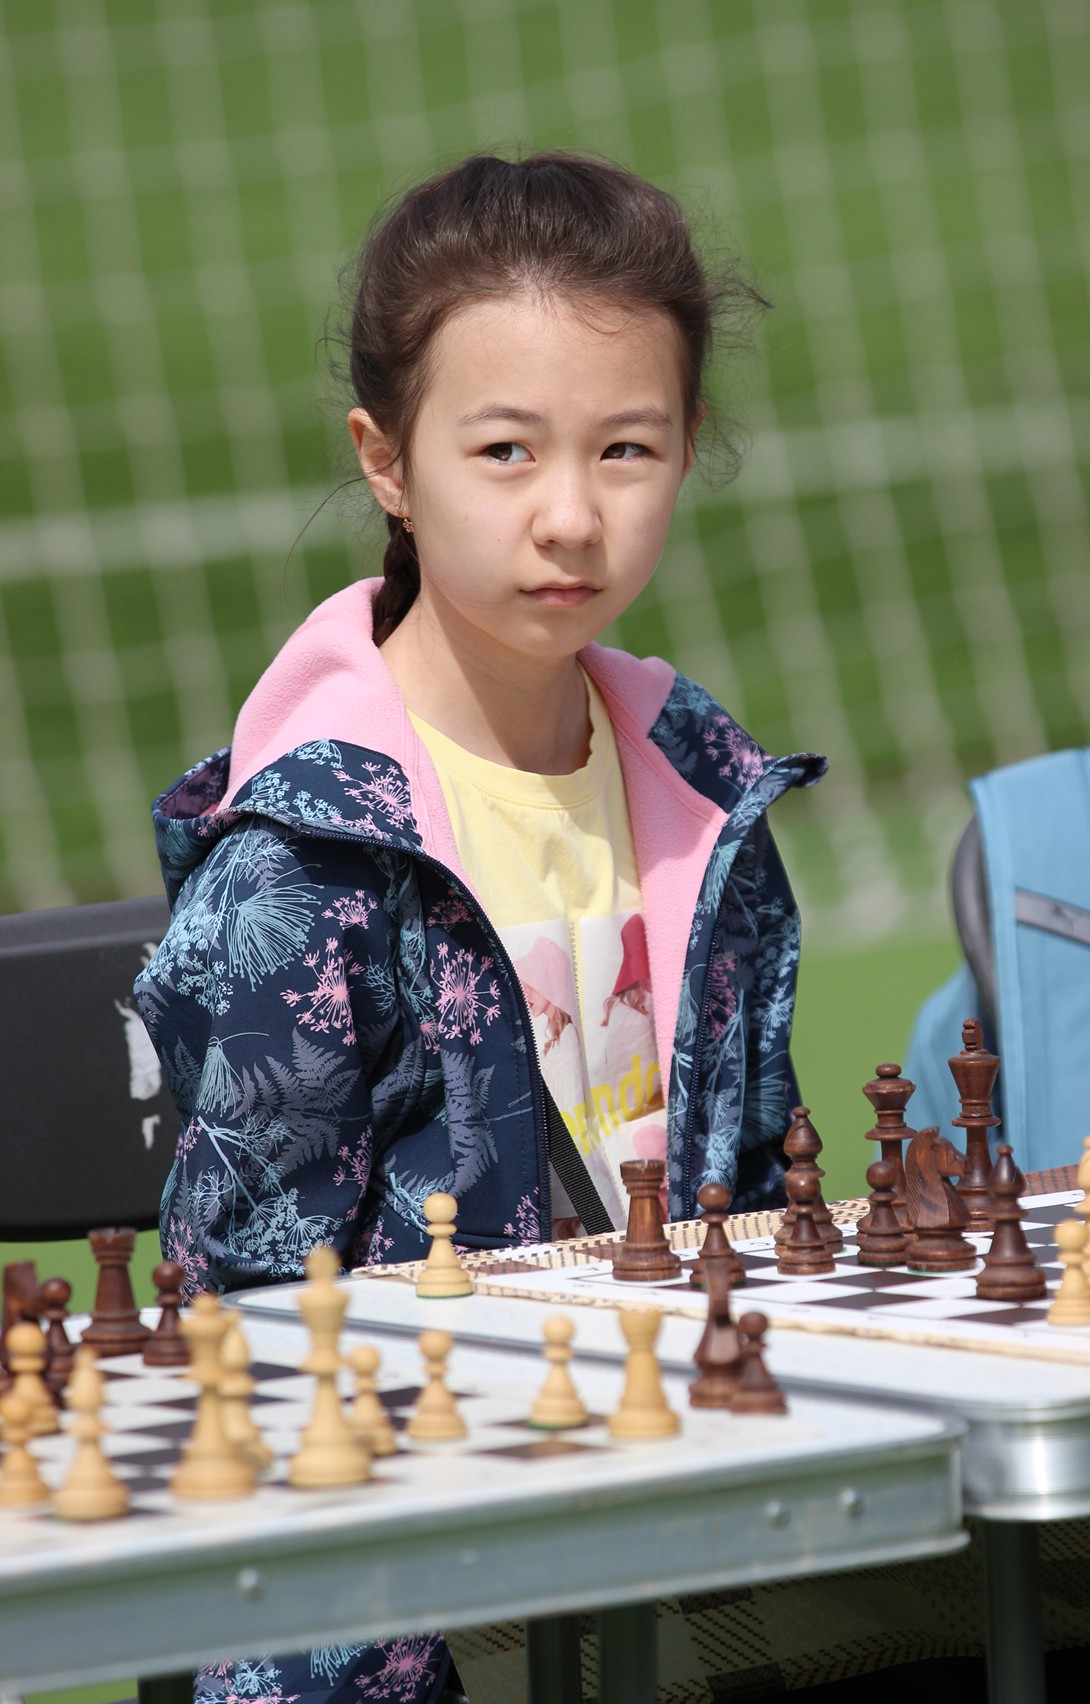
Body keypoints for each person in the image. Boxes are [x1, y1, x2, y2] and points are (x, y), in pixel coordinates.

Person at [135, 150, 825, 1704]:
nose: (571, 516)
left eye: (628, 449)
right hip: (409, 1608)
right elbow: (251, 1319)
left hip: (693, 1549)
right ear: (386, 462)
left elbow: (763, 1189)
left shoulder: (709, 790)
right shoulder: (307, 861)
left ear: (691, 446)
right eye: (505, 451)